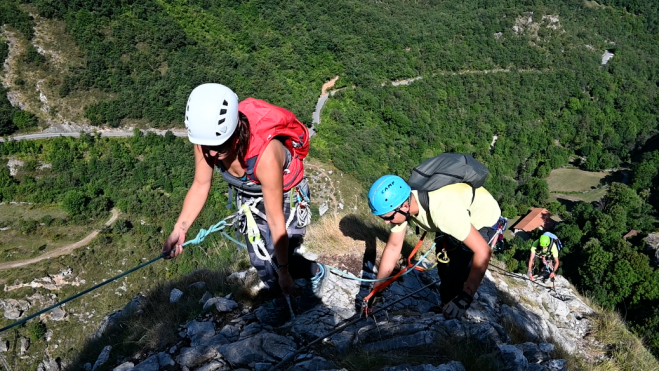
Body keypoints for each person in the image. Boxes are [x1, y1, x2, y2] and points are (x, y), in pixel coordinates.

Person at [162, 83, 326, 327]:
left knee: (283, 252)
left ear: (236, 131)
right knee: (259, 257)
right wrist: (180, 228)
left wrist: (283, 271)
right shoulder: (207, 142)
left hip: (287, 191)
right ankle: (282, 296)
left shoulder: (265, 155)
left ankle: (313, 273)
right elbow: (200, 185)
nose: (214, 155)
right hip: (251, 193)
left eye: (221, 148)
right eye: (208, 148)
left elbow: (275, 219)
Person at [367, 175, 502, 319]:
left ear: (405, 206)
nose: (387, 223)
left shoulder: (442, 212)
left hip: (482, 219)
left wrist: (464, 298)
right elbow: (393, 247)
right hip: (456, 212)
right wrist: (377, 290)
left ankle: (454, 320)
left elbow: (483, 251)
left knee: (457, 271)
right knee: (444, 267)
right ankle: (446, 305)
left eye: (387, 217)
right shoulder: (404, 202)